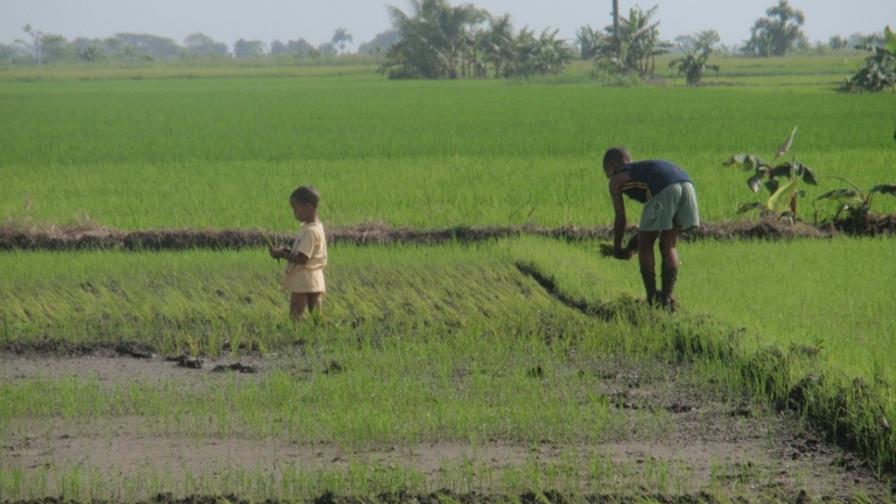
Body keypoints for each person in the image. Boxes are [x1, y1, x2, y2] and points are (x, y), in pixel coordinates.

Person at [602, 147, 700, 310]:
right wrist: (638, 238)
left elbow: (620, 218)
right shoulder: (641, 169)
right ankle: (666, 299)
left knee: (645, 245)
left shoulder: (616, 178)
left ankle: (652, 298)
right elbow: (657, 222)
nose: (608, 177)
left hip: (666, 188)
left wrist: (617, 249)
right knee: (668, 245)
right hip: (687, 186)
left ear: (611, 167)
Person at [269, 186, 328, 321]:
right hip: (316, 277)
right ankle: (319, 331)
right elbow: (305, 253)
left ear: (308, 207)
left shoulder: (310, 232)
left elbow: (303, 259)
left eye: (296, 209)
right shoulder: (316, 227)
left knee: (295, 314)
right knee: (317, 316)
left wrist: (282, 254)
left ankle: (294, 333)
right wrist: (285, 250)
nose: (294, 213)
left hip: (303, 277)